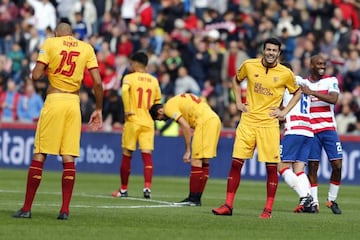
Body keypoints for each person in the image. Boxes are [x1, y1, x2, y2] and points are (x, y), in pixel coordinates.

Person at [12, 22, 103, 220]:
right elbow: (97, 81)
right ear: (71, 34)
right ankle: (64, 210)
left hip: (54, 100)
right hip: (73, 103)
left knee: (40, 153)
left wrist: (45, 67)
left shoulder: (51, 43)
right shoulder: (86, 48)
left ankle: (27, 208)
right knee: (69, 156)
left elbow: (36, 75)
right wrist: (98, 109)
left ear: (56, 33)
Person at [212, 38, 301, 218]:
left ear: (279, 53)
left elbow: (298, 92)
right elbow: (236, 80)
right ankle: (228, 205)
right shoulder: (249, 65)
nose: (270, 53)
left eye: (274, 50)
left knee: (271, 168)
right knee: (236, 163)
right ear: (263, 50)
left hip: (269, 124)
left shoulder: (285, 73)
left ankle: (267, 209)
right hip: (248, 121)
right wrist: (238, 101)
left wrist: (284, 111)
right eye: (268, 49)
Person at [149, 93, 221, 206]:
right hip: (214, 119)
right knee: (204, 162)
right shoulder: (178, 99)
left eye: (160, 119)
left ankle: (192, 199)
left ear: (160, 112)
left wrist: (188, 150)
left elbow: (185, 126)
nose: (163, 120)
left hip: (204, 122)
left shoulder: (168, 107)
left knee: (196, 160)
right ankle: (197, 198)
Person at [112, 51, 162, 199]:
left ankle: (123, 189)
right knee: (147, 156)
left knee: (127, 155)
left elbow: (124, 91)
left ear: (134, 63)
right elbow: (158, 103)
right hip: (148, 122)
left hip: (133, 120)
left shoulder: (129, 77)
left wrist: (128, 110)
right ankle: (147, 188)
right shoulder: (154, 81)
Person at [299, 54, 343, 214]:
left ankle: (331, 200)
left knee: (337, 165)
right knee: (312, 167)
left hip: (329, 129)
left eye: (324, 63)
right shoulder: (303, 83)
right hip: (311, 131)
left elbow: (333, 99)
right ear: (311, 65)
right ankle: (315, 202)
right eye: (319, 63)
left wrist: (312, 93)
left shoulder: (331, 81)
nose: (322, 66)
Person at [277, 63, 315, 213]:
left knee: (282, 167)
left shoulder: (285, 82)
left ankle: (305, 197)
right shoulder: (304, 82)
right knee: (299, 170)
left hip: (294, 129)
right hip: (307, 130)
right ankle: (310, 203)